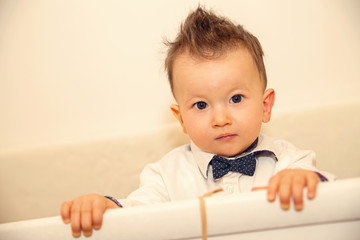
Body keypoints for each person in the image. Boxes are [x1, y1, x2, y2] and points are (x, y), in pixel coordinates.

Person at [61, 6, 334, 238]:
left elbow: (335, 206)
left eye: (236, 98)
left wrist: (304, 183)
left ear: (265, 106)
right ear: (180, 119)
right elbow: (137, 216)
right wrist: (106, 207)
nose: (221, 119)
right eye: (201, 105)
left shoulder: (290, 162)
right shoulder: (165, 176)